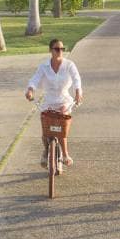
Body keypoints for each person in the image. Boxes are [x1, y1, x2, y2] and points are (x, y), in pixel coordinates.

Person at [25, 39, 83, 169]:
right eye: (57, 49)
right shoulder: (44, 66)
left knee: (61, 125)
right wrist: (30, 90)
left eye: (62, 49)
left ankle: (65, 154)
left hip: (64, 100)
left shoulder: (69, 65)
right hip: (49, 101)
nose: (60, 51)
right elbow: (35, 79)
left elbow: (76, 79)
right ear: (50, 50)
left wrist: (78, 92)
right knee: (46, 131)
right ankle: (46, 150)